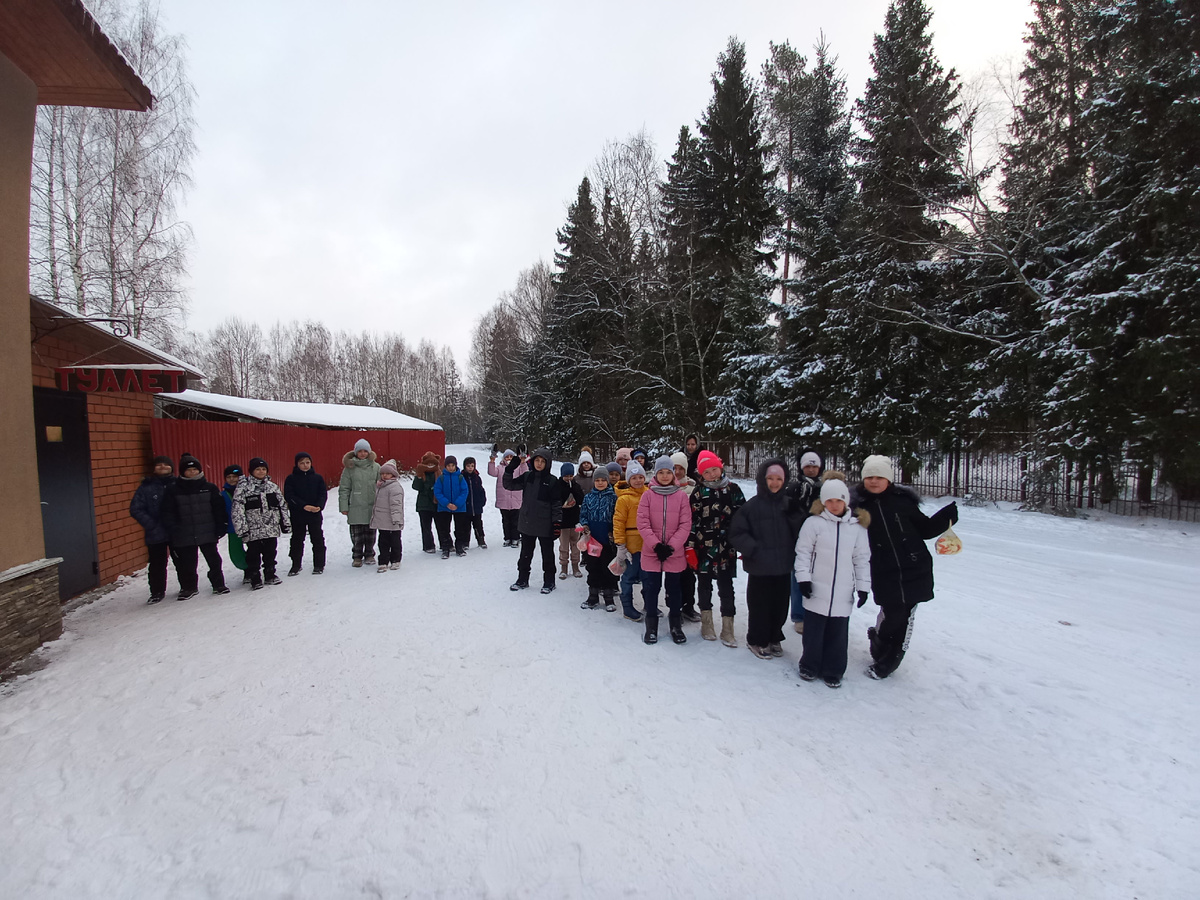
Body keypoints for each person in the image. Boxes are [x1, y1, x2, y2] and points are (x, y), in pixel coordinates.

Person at [851, 455, 958, 680]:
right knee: (891, 614)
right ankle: (878, 639)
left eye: (879, 477)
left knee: (905, 616)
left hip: (914, 567)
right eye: (869, 477)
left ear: (888, 480)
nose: (874, 481)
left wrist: (946, 518)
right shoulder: (858, 506)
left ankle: (888, 663)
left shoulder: (903, 502)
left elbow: (925, 530)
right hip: (883, 570)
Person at [794, 477, 872, 688]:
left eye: (838, 500)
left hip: (842, 593)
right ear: (823, 502)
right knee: (813, 633)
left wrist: (864, 587)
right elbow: (803, 553)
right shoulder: (814, 523)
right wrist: (803, 579)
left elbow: (861, 559)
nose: (834, 505)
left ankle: (833, 669)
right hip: (817, 590)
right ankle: (809, 665)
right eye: (829, 501)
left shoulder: (857, 528)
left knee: (837, 635)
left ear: (846, 501)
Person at [730, 458, 805, 659]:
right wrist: (753, 549)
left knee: (780, 605)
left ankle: (774, 636)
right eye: (770, 478)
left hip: (782, 566)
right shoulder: (751, 507)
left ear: (784, 480)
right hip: (759, 567)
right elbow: (737, 533)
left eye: (778, 479)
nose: (774, 483)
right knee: (760, 606)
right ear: (763, 480)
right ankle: (756, 639)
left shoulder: (789, 504)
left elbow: (802, 532)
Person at [687, 450, 746, 645]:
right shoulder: (698, 492)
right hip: (704, 547)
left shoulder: (733, 489)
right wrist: (691, 546)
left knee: (726, 587)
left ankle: (728, 628)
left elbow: (742, 517)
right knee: (704, 586)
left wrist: (741, 542)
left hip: (726, 548)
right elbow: (692, 521)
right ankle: (707, 622)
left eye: (714, 470)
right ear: (701, 475)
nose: (712, 475)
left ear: (720, 468)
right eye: (707, 472)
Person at [636, 456, 693, 645]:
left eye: (669, 472)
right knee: (651, 589)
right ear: (656, 474)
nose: (665, 475)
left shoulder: (681, 496)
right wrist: (656, 545)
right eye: (661, 472)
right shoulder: (648, 495)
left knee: (674, 589)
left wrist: (671, 546)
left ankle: (675, 624)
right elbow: (642, 523)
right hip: (652, 551)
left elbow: (685, 524)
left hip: (673, 552)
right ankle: (651, 624)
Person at [160, 453, 229, 600]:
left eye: (195, 470)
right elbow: (168, 512)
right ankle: (189, 587)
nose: (192, 472)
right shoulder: (173, 490)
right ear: (182, 472)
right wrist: (173, 529)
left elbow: (218, 509)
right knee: (187, 563)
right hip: (184, 533)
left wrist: (221, 526)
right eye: (188, 470)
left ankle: (218, 584)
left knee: (214, 560)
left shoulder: (209, 488)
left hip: (207, 531)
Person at [504, 447, 563, 593]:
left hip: (545, 525)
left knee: (547, 555)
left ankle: (549, 582)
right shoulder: (527, 476)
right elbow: (508, 485)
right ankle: (522, 579)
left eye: (543, 461)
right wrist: (511, 468)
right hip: (527, 523)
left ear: (547, 464)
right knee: (525, 554)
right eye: (537, 460)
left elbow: (557, 505)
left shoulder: (552, 481)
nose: (539, 464)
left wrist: (556, 524)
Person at [232, 457, 290, 589]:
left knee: (270, 553)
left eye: (263, 469)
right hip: (253, 530)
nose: (261, 471)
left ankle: (270, 575)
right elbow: (237, 510)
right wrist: (242, 529)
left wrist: (285, 523)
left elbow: (282, 506)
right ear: (251, 471)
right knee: (253, 555)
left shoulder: (273, 487)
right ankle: (255, 578)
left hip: (271, 528)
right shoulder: (243, 488)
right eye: (257, 469)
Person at [786, 449, 824, 633]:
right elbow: (788, 511)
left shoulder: (824, 487)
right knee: (798, 575)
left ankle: (815, 612)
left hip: (820, 538)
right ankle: (799, 616)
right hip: (798, 536)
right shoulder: (796, 487)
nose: (811, 469)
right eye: (808, 466)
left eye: (814, 466)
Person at [130, 455, 175, 603]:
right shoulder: (146, 487)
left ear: (171, 467)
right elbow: (136, 509)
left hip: (176, 529)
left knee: (183, 561)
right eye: (159, 465)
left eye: (166, 464)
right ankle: (157, 591)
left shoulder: (178, 484)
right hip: (155, 532)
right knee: (157, 564)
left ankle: (188, 587)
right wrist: (151, 525)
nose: (163, 467)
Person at [577, 465, 619, 610]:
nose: (600, 483)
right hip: (592, 542)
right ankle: (592, 597)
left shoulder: (614, 498)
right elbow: (583, 515)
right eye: (597, 480)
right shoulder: (588, 497)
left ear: (607, 481)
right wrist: (585, 526)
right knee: (592, 568)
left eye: (603, 480)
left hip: (607, 541)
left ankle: (609, 598)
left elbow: (617, 517)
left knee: (607, 569)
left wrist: (613, 532)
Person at [612, 460, 648, 622]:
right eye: (634, 478)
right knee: (629, 576)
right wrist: (621, 544)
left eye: (641, 477)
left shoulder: (650, 494)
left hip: (648, 543)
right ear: (628, 480)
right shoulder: (624, 499)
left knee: (647, 576)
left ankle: (649, 603)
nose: (638, 480)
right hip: (631, 545)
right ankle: (627, 606)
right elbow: (618, 522)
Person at [284, 451, 327, 576]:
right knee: (297, 539)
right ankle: (296, 564)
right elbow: (289, 495)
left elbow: (323, 493)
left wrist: (319, 506)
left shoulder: (317, 478)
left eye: (307, 462)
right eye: (302, 463)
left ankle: (319, 564)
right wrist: (303, 506)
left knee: (317, 538)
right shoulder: (291, 478)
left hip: (315, 513)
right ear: (297, 464)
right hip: (298, 514)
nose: (305, 465)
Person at [339, 439, 380, 567]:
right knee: (357, 534)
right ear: (356, 452)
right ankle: (357, 556)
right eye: (360, 451)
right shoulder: (349, 468)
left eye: (365, 451)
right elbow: (344, 488)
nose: (362, 454)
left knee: (370, 533)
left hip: (371, 505)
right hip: (355, 506)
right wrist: (344, 506)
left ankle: (369, 554)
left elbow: (381, 487)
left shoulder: (376, 467)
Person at [671, 451, 699, 622]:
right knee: (674, 576)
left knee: (689, 575)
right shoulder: (666, 487)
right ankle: (675, 606)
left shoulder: (693, 487)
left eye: (681, 468)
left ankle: (689, 606)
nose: (678, 471)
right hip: (672, 537)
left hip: (689, 537)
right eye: (674, 468)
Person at [370, 461, 405, 571]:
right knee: (383, 542)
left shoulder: (395, 487)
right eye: (383, 473)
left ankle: (395, 560)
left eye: (387, 473)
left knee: (395, 541)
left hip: (393, 520)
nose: (384, 475)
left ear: (393, 475)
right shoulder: (380, 486)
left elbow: (396, 504)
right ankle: (383, 561)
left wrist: (396, 519)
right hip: (382, 520)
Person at [434, 455, 471, 558]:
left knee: (460, 529)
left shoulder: (460, 477)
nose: (451, 467)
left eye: (452, 465)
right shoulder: (441, 478)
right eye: (448, 465)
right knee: (444, 529)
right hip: (444, 508)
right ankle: (446, 548)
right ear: (445, 466)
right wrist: (447, 503)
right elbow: (437, 491)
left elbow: (464, 491)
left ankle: (459, 547)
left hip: (459, 508)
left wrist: (457, 504)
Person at [489, 448, 525, 548]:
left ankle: (516, 538)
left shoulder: (518, 468)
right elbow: (492, 472)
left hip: (516, 499)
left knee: (515, 521)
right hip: (503, 499)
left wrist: (522, 462)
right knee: (505, 520)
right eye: (507, 457)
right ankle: (507, 538)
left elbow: (525, 472)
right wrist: (492, 461)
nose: (509, 459)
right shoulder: (500, 468)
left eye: (511, 457)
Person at [557, 462, 585, 579]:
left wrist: (573, 488)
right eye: (566, 476)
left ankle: (575, 566)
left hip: (574, 521)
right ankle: (563, 567)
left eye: (570, 476)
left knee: (575, 545)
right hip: (563, 522)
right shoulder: (558, 486)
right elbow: (556, 501)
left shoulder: (576, 485)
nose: (568, 478)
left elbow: (581, 500)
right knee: (564, 546)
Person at [221, 465, 248, 582]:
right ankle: (246, 567)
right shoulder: (223, 494)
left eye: (235, 476)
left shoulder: (248, 490)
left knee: (254, 550)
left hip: (250, 526)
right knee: (236, 555)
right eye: (229, 477)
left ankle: (251, 571)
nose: (232, 479)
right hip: (233, 528)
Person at [412, 451, 441, 553]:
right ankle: (428, 546)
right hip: (423, 505)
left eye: (432, 463)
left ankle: (444, 543)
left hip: (437, 504)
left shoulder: (438, 473)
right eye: (428, 464)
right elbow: (416, 487)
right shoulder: (421, 473)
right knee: (426, 527)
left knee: (441, 526)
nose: (430, 466)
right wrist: (419, 476)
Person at [462, 457, 488, 549]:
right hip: (466, 507)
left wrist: (482, 501)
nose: (470, 468)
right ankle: (465, 542)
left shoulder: (477, 478)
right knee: (465, 527)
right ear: (465, 466)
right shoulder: (461, 478)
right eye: (468, 466)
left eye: (472, 466)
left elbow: (481, 490)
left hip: (476, 507)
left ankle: (481, 540)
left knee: (478, 525)